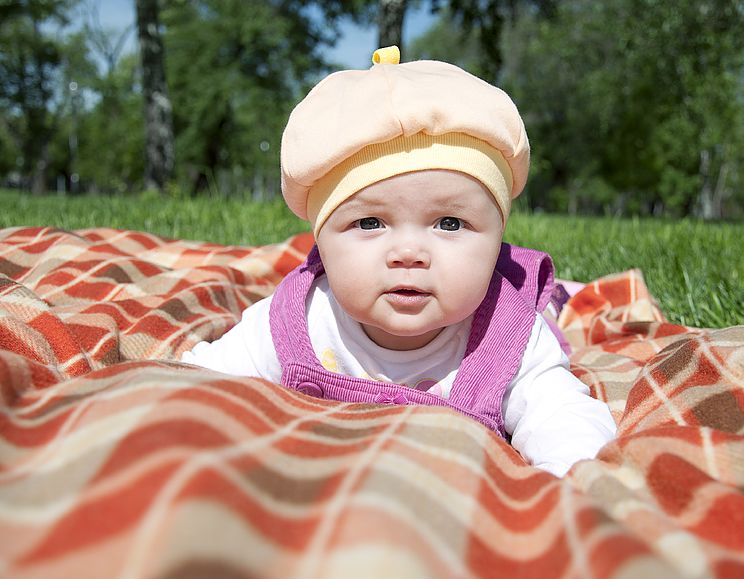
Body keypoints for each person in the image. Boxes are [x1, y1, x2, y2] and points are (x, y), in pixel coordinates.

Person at [181, 46, 616, 477]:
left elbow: (564, 417)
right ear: (321, 242)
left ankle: (555, 294)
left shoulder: (509, 338)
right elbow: (201, 383)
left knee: (543, 311)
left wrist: (570, 481)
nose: (409, 253)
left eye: (449, 223)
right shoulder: (298, 322)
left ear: (497, 231)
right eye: (370, 222)